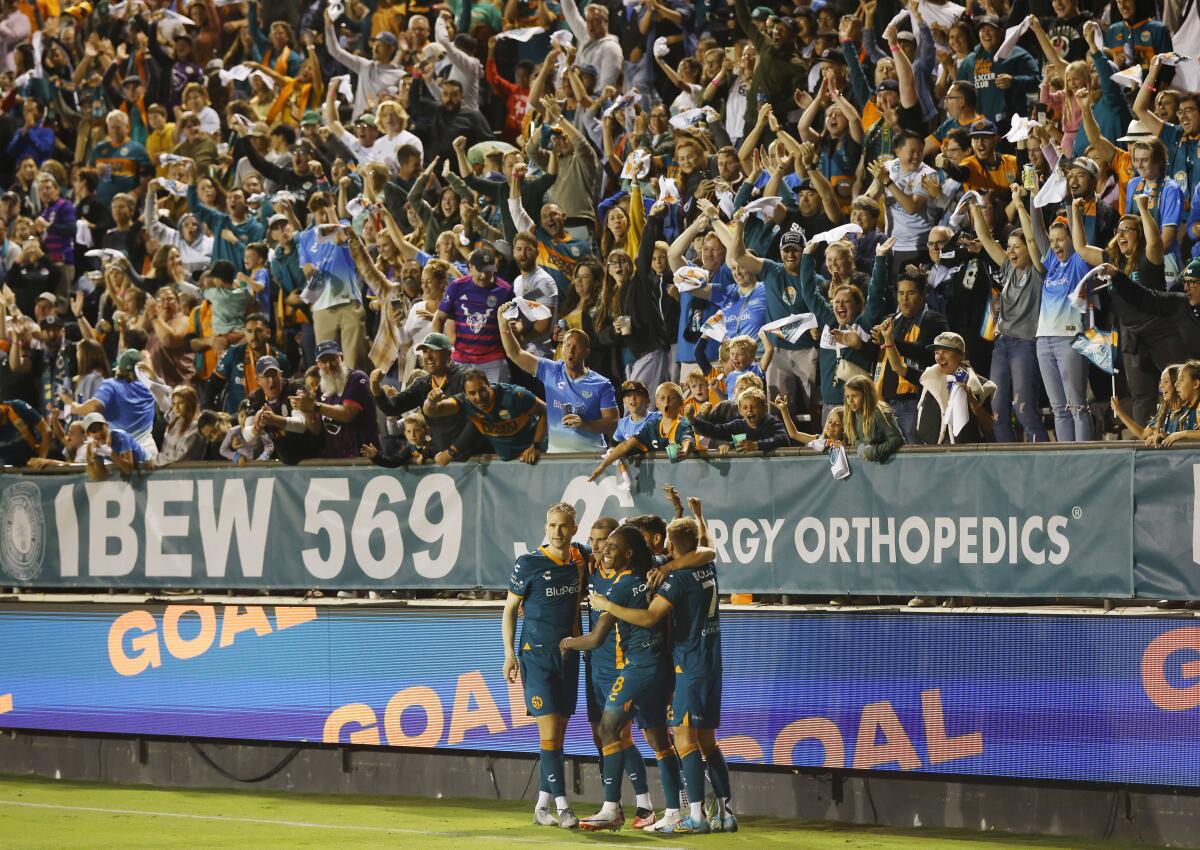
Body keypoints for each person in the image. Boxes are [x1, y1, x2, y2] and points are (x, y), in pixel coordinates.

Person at [590, 514, 735, 834]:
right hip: (712, 664)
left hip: (688, 665)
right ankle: (724, 812)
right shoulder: (705, 565)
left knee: (684, 740)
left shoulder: (676, 579)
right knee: (708, 741)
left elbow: (649, 616)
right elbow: (709, 550)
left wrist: (606, 605)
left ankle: (694, 816)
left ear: (672, 545)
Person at [561, 524, 682, 833]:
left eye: (612, 547)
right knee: (658, 740)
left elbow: (598, 638)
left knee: (608, 728)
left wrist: (568, 643)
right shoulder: (651, 574)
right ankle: (674, 811)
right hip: (663, 668)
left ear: (628, 553)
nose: (605, 552)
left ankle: (611, 809)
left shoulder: (620, 586)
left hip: (639, 669)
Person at [503, 503, 588, 830]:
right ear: (545, 526)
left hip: (568, 657)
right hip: (536, 658)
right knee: (549, 733)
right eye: (551, 525)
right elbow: (510, 610)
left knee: (558, 736)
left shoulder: (579, 559)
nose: (556, 532)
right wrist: (509, 653)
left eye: (563, 526)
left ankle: (541, 805)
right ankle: (564, 807)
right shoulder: (528, 563)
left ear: (574, 529)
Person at [499, 320, 618, 453]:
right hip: (557, 456)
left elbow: (612, 421)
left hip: (591, 455)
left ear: (586, 352)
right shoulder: (551, 370)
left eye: (576, 346)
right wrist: (502, 322)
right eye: (567, 346)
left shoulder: (601, 384)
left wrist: (584, 425)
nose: (571, 351)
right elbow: (515, 353)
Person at [422, 369, 547, 464]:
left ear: (489, 385)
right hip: (508, 463)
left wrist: (536, 446)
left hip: (537, 457)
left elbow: (545, 411)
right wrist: (430, 402)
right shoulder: (464, 403)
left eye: (482, 390)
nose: (479, 397)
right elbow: (432, 411)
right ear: (465, 395)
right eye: (472, 393)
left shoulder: (514, 395)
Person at [433, 247, 515, 383]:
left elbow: (516, 322)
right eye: (480, 270)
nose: (484, 275)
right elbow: (439, 318)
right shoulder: (457, 287)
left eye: (488, 271)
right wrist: (439, 348)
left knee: (496, 401)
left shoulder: (505, 290)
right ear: (470, 267)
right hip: (460, 359)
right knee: (457, 401)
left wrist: (514, 327)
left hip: (493, 359)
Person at [588, 383, 695, 481]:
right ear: (656, 403)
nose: (666, 402)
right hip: (658, 480)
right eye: (662, 398)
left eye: (671, 398)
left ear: (681, 402)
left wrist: (684, 451)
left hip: (682, 479)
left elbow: (688, 440)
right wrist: (603, 465)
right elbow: (627, 444)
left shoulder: (683, 423)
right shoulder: (652, 425)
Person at [70, 349, 159, 462]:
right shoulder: (150, 385)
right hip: (147, 450)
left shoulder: (111, 385)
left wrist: (75, 407)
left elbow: (94, 407)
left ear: (120, 369)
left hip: (120, 452)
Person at [909, 332, 997, 445]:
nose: (939, 357)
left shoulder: (982, 385)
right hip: (933, 453)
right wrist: (889, 342)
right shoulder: (930, 378)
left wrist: (973, 402)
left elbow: (989, 426)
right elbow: (899, 368)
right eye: (936, 352)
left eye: (945, 351)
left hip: (966, 454)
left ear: (961, 355)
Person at [302, 339, 379, 459]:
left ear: (341, 358)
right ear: (318, 364)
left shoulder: (357, 378)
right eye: (324, 361)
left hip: (362, 458)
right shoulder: (321, 389)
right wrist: (305, 410)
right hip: (336, 461)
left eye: (332, 359)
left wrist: (313, 406)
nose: (329, 365)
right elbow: (316, 429)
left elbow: (347, 414)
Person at [689, 386, 789, 454]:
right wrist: (693, 419)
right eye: (745, 408)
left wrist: (756, 446)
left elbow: (783, 439)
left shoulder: (772, 422)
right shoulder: (737, 425)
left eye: (754, 406)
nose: (749, 410)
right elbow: (714, 430)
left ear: (764, 408)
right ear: (740, 411)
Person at [840, 374, 905, 462]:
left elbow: (896, 440)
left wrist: (873, 451)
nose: (850, 401)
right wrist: (861, 447)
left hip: (891, 463)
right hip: (872, 466)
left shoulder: (879, 413)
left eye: (854, 396)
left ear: (866, 395)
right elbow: (855, 438)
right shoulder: (851, 414)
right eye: (848, 397)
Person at [82, 411, 148, 480]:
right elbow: (102, 476)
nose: (98, 433)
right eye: (93, 431)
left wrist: (111, 454)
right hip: (139, 474)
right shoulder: (97, 447)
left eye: (100, 428)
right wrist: (95, 457)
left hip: (149, 464)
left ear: (107, 425)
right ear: (88, 434)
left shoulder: (121, 437)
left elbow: (129, 469)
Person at [0, 397, 50, 466]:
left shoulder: (18, 407)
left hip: (33, 465)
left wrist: (42, 459)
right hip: (6, 471)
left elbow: (46, 431)